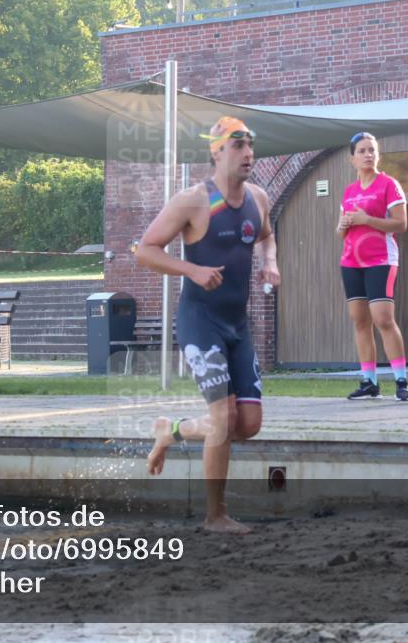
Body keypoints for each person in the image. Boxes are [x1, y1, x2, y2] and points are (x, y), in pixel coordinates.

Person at [135, 116, 280, 534]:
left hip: (238, 324)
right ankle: (215, 516)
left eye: (250, 144)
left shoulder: (258, 197)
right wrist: (191, 270)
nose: (248, 152)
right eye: (238, 145)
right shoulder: (193, 201)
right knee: (221, 418)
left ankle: (172, 430)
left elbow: (267, 236)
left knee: (246, 424)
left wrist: (270, 262)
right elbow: (145, 249)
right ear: (216, 151)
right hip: (201, 321)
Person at [337, 132, 408, 401]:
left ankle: (402, 381)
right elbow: (341, 231)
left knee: (383, 319)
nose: (368, 154)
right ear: (352, 159)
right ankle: (369, 382)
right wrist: (343, 225)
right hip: (351, 262)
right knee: (360, 321)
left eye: (372, 150)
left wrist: (367, 219)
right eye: (362, 151)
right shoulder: (348, 191)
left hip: (381, 260)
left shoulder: (389, 184)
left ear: (378, 155)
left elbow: (400, 224)